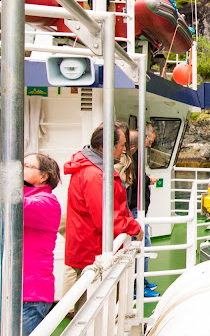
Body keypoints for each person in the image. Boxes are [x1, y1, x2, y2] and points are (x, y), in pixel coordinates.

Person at [64, 123, 143, 311]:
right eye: (121, 145)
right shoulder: (95, 175)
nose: (124, 149)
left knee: (92, 305)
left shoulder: (92, 168)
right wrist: (134, 228)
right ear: (105, 147)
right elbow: (106, 217)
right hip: (92, 247)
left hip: (88, 243)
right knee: (94, 308)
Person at [23, 153, 62, 335]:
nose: (20, 169)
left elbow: (19, 206)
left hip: (31, 294)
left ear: (44, 176)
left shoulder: (47, 203)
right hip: (19, 291)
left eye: (27, 166)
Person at [127, 124, 159, 297]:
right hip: (135, 209)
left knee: (143, 245)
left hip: (137, 207)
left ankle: (141, 281)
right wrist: (149, 180)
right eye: (150, 141)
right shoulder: (133, 157)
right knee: (142, 245)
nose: (150, 145)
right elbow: (137, 179)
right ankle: (137, 286)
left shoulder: (134, 156)